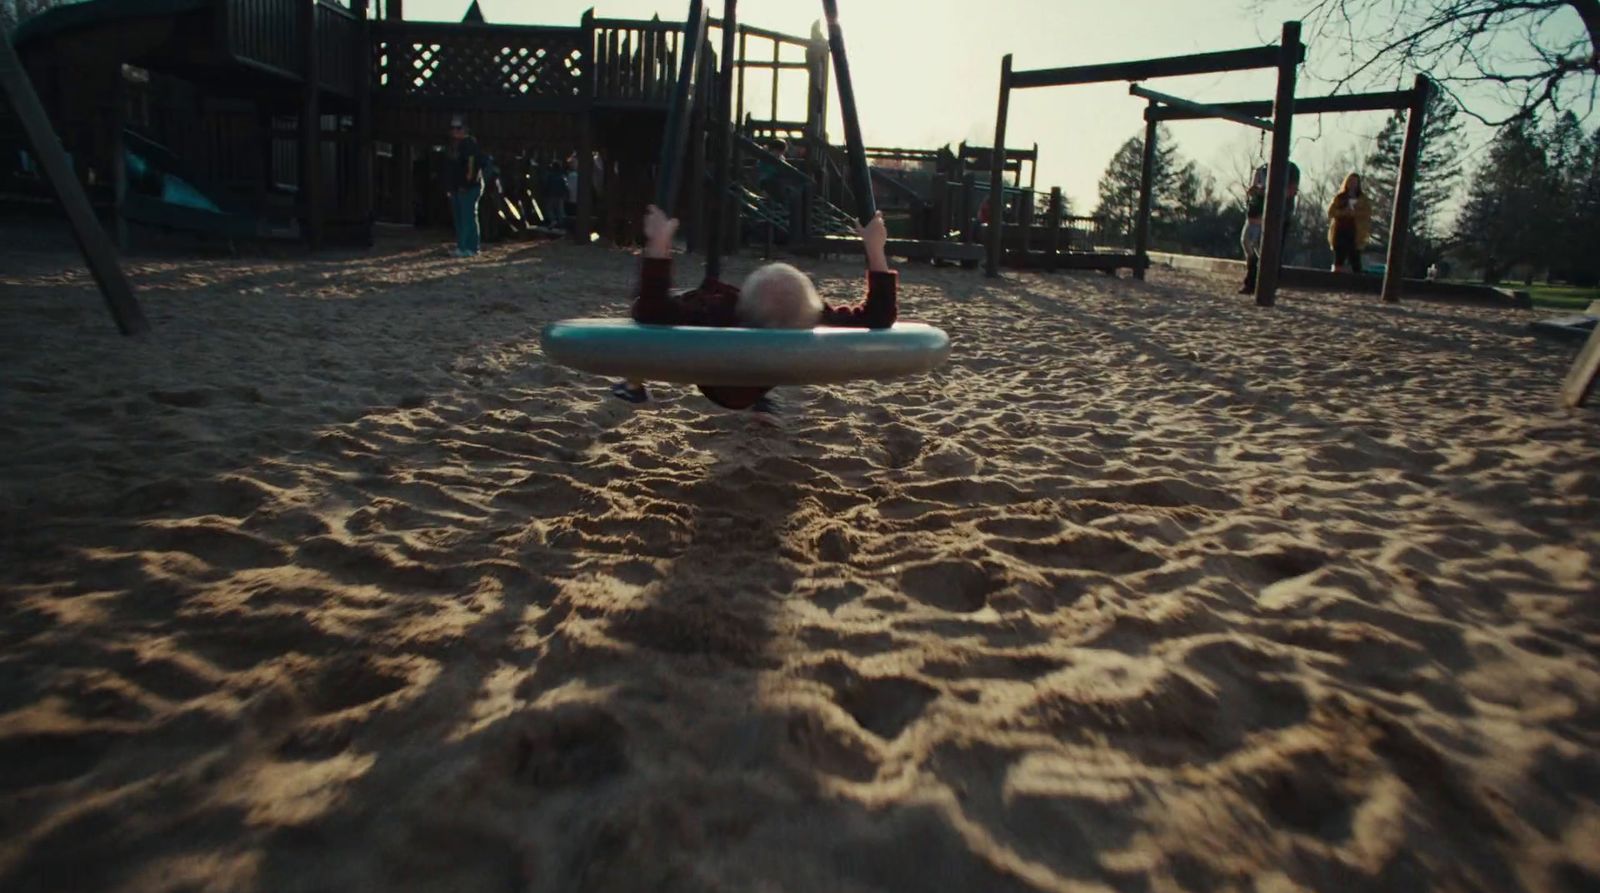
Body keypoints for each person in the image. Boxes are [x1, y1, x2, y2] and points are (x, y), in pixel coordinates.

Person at [611, 205, 896, 414]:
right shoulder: (812, 326)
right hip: (762, 378)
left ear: (741, 300)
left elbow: (651, 310)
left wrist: (659, 245)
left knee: (647, 323)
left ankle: (634, 383)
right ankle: (760, 398)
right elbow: (878, 316)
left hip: (716, 379)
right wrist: (875, 248)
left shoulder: (716, 316)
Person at [1239, 160, 1300, 294]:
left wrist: (1266, 192)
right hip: (1257, 212)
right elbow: (1254, 188)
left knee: (1271, 251)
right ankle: (1251, 281)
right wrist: (1255, 191)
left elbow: (1290, 191)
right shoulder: (1263, 168)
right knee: (1248, 243)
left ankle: (1267, 284)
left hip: (1279, 215)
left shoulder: (1291, 169)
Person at [446, 116, 483, 257]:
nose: (455, 131)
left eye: (458, 128)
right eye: (453, 128)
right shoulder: (453, 145)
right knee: (460, 217)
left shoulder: (469, 144)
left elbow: (471, 166)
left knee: (467, 217)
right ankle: (463, 246)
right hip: (456, 187)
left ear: (465, 129)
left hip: (468, 187)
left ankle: (469, 247)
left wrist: (467, 184)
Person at [1326, 172, 1373, 275]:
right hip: (1340, 230)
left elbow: (1367, 213)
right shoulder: (1340, 197)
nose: (1352, 184)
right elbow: (1331, 212)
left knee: (1355, 256)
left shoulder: (1363, 199)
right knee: (1339, 257)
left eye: (1355, 182)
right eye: (1350, 181)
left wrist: (1354, 213)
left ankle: (1358, 281)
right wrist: (1343, 212)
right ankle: (1335, 278)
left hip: (1355, 231)